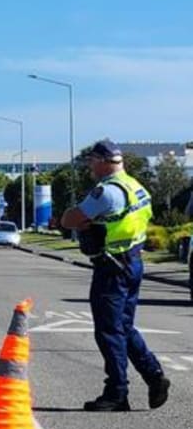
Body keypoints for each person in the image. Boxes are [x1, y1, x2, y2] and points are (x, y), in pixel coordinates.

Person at [61, 139, 170, 411]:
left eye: (91, 162)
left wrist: (79, 219)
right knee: (124, 326)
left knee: (109, 330)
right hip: (133, 262)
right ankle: (154, 375)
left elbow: (69, 219)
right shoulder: (136, 187)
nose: (90, 167)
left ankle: (117, 392)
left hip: (111, 267)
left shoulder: (106, 192)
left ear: (102, 161)